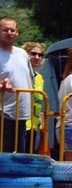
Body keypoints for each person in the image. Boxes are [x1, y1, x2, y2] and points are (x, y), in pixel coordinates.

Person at [0, 16, 34, 153]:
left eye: (12, 30)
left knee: (20, 156)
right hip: (2, 114)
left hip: (22, 114)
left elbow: (29, 78)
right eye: (5, 30)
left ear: (17, 32)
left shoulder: (23, 54)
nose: (9, 33)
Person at [21, 41, 45, 151]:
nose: (37, 57)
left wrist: (41, 123)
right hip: (19, 123)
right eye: (33, 54)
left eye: (40, 55)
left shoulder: (40, 78)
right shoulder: (20, 73)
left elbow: (39, 103)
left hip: (34, 126)